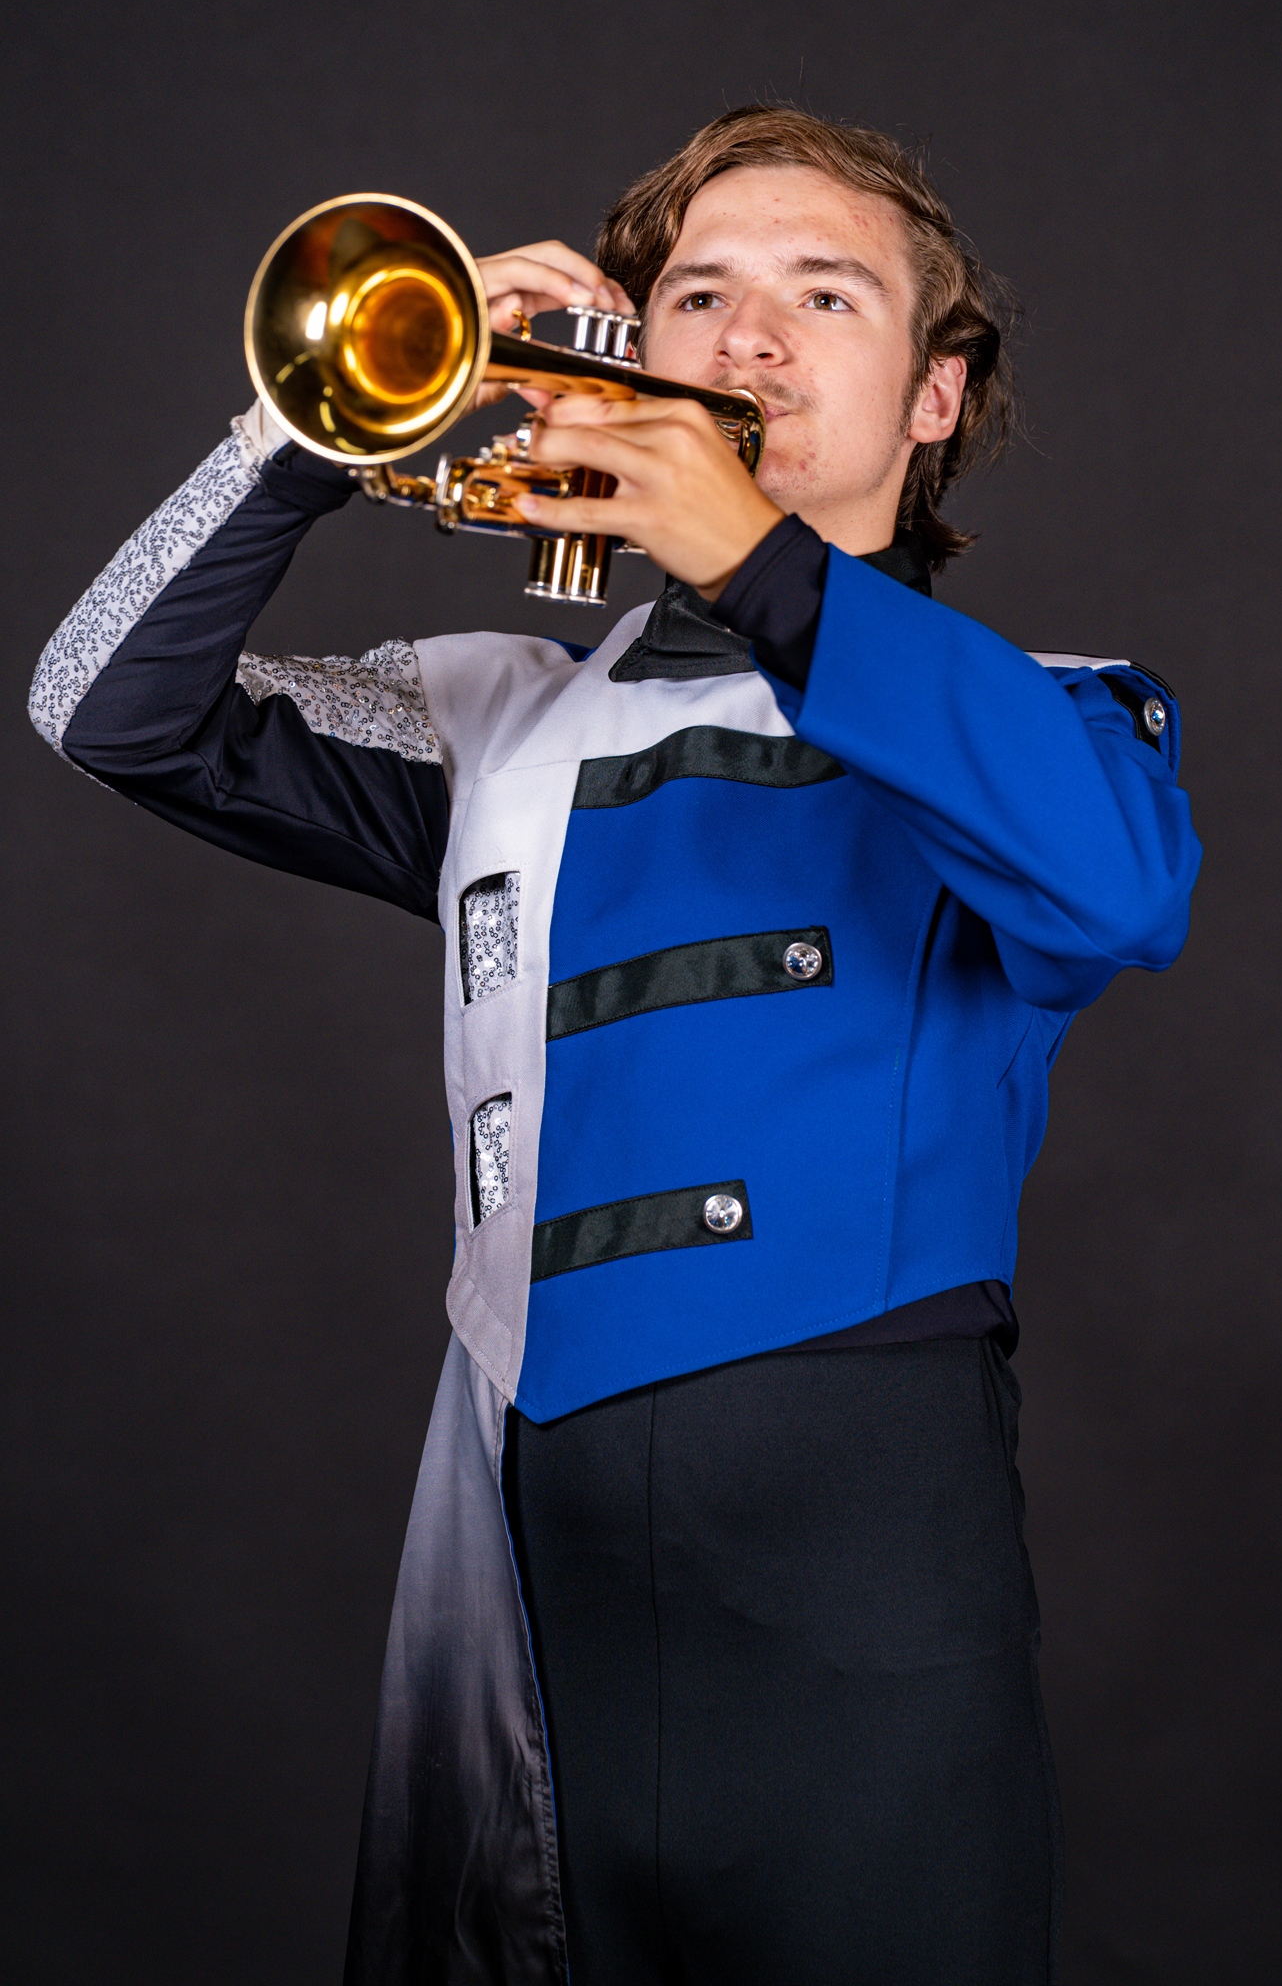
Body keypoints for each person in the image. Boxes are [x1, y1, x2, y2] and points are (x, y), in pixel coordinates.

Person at [29, 106, 1200, 1986]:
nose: (748, 339)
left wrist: (763, 567)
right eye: (696, 297)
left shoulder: (1045, 716)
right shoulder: (499, 721)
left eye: (825, 296)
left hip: (861, 1555)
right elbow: (103, 704)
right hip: (530, 1534)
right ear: (618, 357)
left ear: (933, 396)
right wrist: (314, 436)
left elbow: (1119, 892)